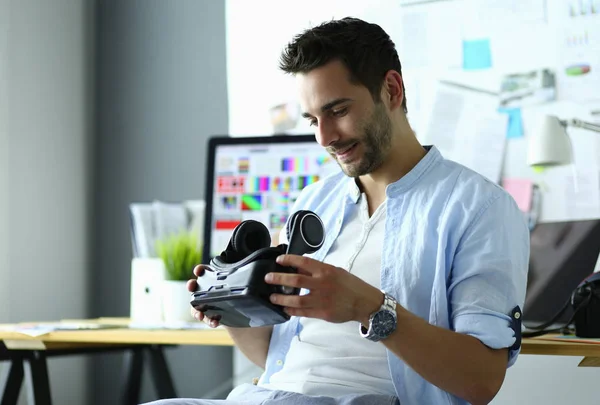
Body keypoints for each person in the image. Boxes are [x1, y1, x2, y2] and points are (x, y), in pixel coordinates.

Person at [144, 16, 529, 405]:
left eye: (339, 110)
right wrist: (231, 306)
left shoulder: (478, 208)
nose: (325, 137)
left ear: (391, 91)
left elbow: (481, 380)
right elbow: (282, 358)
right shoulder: (313, 202)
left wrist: (368, 307)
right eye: (313, 120)